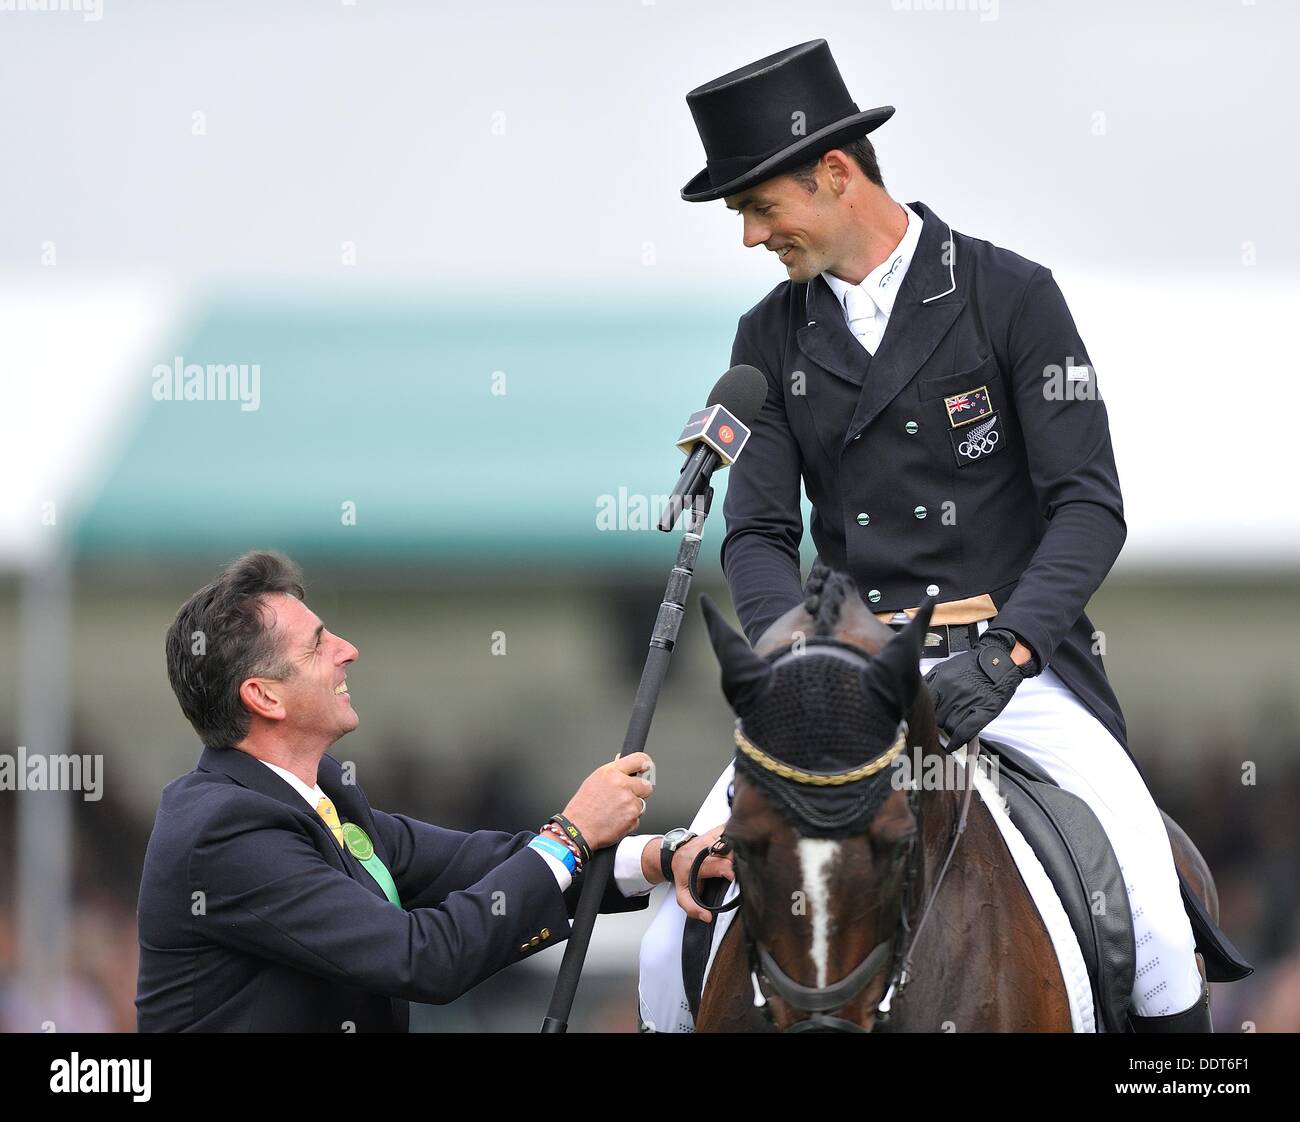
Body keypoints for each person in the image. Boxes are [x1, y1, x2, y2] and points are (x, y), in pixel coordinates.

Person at [636, 39, 1209, 1032]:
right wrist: (792, 669)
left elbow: (1087, 505)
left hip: (1009, 674)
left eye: (759, 208)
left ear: (835, 173)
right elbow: (760, 532)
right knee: (658, 955)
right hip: (838, 687)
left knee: (1156, 929)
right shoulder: (766, 339)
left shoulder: (1009, 297)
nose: (750, 237)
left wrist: (1011, 647)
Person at [136, 549, 711, 1031]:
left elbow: (484, 864)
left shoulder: (323, 793)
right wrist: (571, 832)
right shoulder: (224, 829)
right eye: (317, 645)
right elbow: (422, 958)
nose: (347, 650)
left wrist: (661, 856)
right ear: (264, 697)